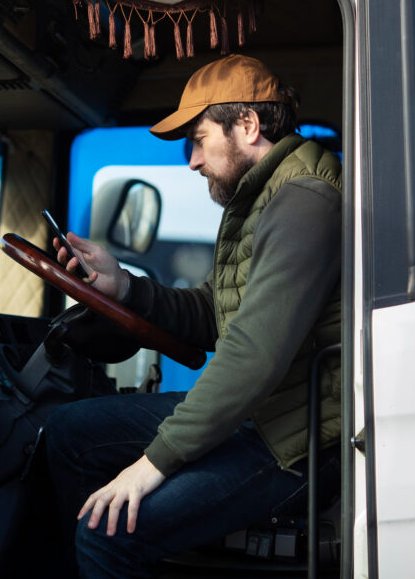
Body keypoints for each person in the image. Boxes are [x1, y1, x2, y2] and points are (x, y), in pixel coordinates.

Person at [46, 54, 343, 578]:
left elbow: (252, 354)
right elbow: (213, 311)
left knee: (105, 538)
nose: (192, 161)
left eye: (199, 140)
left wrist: (152, 465)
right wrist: (124, 286)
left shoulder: (304, 200)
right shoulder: (260, 199)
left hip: (296, 442)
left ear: (247, 126)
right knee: (69, 433)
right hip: (266, 417)